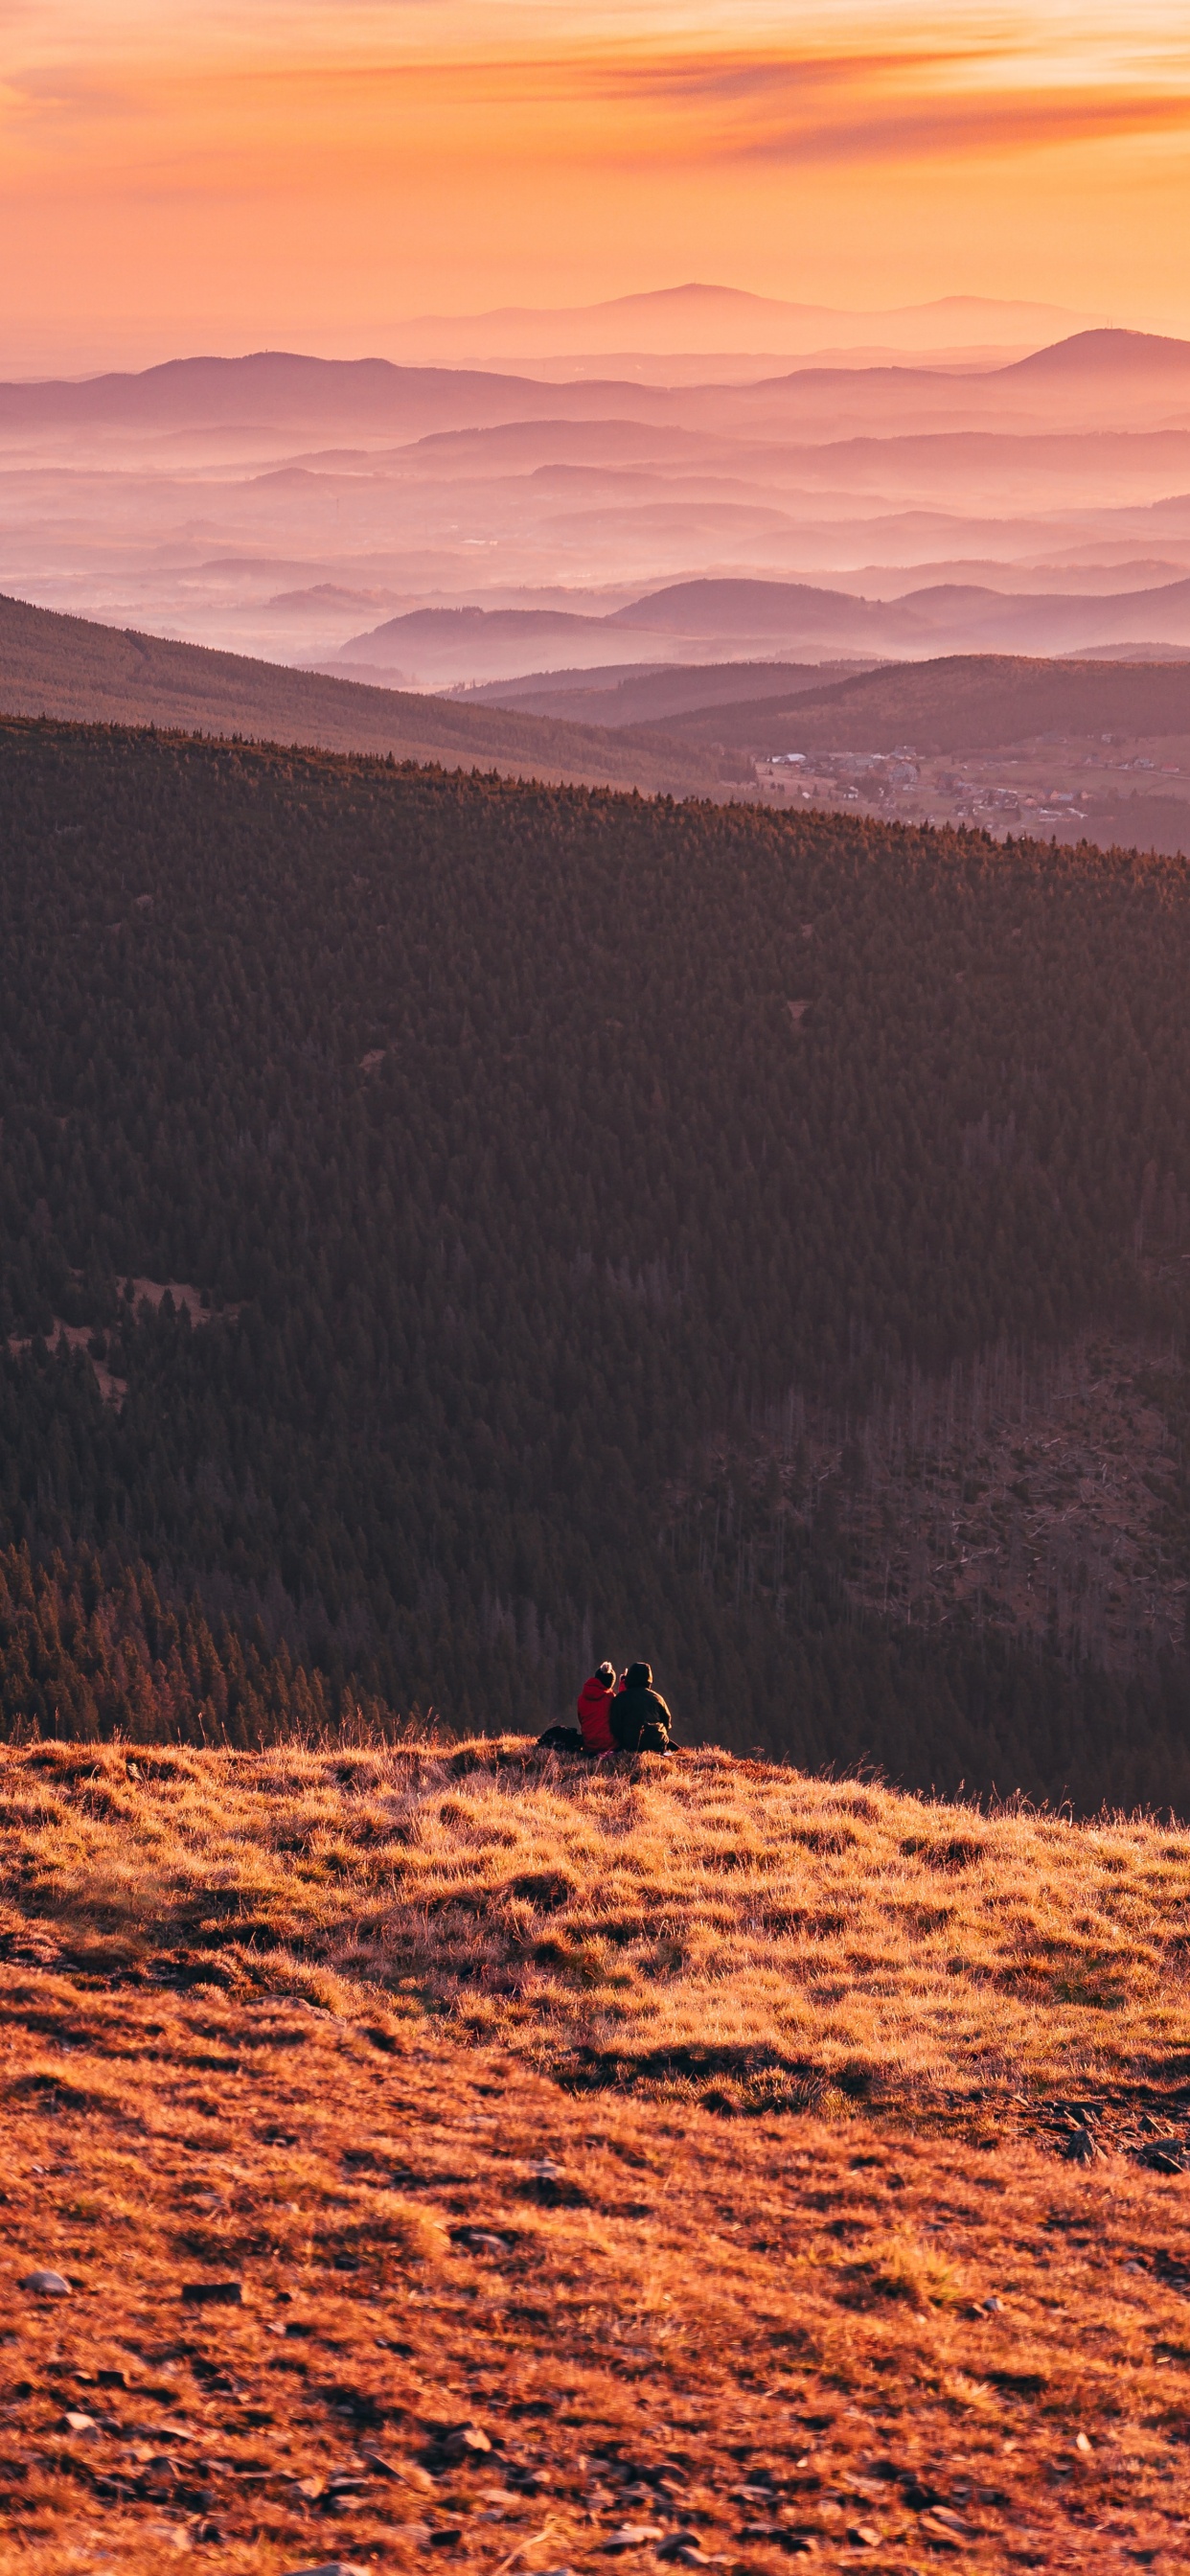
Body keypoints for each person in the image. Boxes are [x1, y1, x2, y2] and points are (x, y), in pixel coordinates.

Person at [609, 1661, 674, 1754]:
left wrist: (623, 1740)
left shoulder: (620, 1698)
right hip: (657, 1744)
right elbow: (667, 1721)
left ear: (629, 1678)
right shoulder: (657, 1698)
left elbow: (615, 1725)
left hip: (630, 1745)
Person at [577, 1659, 618, 1754]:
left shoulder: (582, 1698)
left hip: (589, 1746)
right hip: (609, 1746)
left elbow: (581, 1721)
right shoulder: (611, 1698)